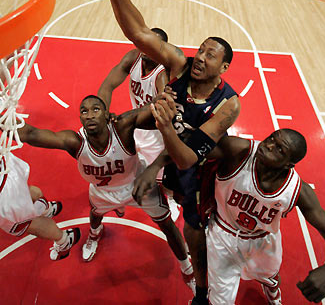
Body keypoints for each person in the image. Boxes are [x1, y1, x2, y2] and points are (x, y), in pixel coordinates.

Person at [71, 0, 241, 305]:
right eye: (202, 49)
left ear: (223, 68)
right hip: (169, 141)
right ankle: (143, 190)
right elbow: (139, 34)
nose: (201, 57)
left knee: (194, 227)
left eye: (211, 55)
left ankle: (201, 288)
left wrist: (162, 134)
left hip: (197, 161)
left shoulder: (228, 105)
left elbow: (188, 157)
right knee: (132, 138)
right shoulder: (179, 65)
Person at [150, 96, 325, 305]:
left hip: (262, 243)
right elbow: (191, 150)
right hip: (222, 237)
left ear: (288, 165)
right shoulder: (238, 151)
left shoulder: (297, 190)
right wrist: (159, 156)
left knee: (270, 278)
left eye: (279, 149)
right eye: (272, 138)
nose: (269, 145)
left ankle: (272, 290)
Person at [16, 94, 194, 291]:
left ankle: (187, 269)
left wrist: (161, 102)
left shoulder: (123, 127)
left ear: (108, 115)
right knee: (95, 214)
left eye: (95, 110)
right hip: (103, 191)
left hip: (138, 184)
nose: (90, 115)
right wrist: (7, 120)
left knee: (167, 224)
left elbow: (156, 114)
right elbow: (31, 134)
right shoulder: (75, 141)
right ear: (80, 118)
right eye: (84, 111)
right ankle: (94, 234)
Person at [0, 55, 81, 261]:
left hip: (3, 190)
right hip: (6, 167)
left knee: (26, 224)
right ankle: (46, 207)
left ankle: (64, 240)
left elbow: (30, 134)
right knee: (25, 193)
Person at [97, 28, 180, 221]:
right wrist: (103, 113)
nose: (143, 47)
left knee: (164, 174)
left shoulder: (162, 75)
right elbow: (107, 86)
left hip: (157, 132)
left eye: (150, 44)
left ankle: (170, 199)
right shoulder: (133, 57)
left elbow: (163, 110)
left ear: (160, 49)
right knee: (121, 169)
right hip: (136, 127)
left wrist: (159, 102)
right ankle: (117, 201)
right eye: (143, 42)